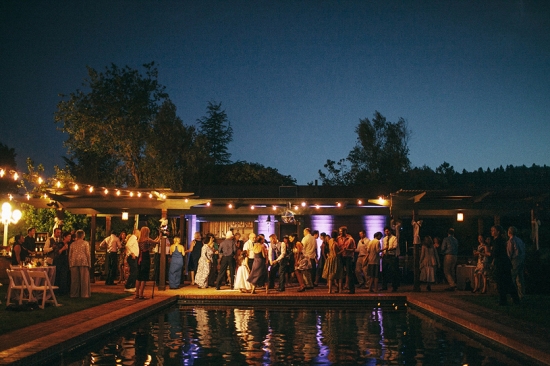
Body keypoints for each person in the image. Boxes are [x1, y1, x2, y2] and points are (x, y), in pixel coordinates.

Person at [491, 225, 520, 305]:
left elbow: (496, 252)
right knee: (507, 282)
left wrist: (490, 253)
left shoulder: (498, 241)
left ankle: (504, 300)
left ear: (498, 232)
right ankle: (509, 299)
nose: (492, 232)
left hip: (502, 264)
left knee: (503, 282)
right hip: (503, 263)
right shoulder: (500, 240)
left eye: (493, 230)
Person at [135, 226, 158, 300]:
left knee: (139, 276)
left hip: (140, 258)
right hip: (145, 257)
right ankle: (141, 294)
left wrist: (158, 237)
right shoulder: (147, 240)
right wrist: (160, 236)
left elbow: (153, 241)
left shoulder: (139, 240)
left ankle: (137, 294)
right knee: (144, 276)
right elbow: (156, 242)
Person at [69, 229, 91, 298]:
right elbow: (87, 254)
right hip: (83, 261)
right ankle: (84, 294)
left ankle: (74, 294)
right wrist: (89, 263)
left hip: (74, 261)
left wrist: (70, 263)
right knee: (84, 279)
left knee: (74, 280)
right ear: (83, 236)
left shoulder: (72, 244)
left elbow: (70, 255)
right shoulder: (85, 243)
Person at [507, 226, 526, 300]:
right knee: (520, 278)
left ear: (509, 232)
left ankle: (514, 295)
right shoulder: (519, 240)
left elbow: (510, 252)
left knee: (512, 277)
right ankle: (521, 294)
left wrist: (509, 260)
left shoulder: (511, 241)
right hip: (521, 259)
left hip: (515, 260)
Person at [338, 226, 356, 294]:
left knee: (349, 273)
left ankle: (352, 289)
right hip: (341, 257)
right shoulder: (338, 238)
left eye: (341, 231)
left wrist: (347, 250)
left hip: (348, 257)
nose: (340, 233)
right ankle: (339, 288)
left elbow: (354, 249)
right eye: (339, 231)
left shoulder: (350, 239)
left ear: (345, 231)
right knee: (340, 273)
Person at [381, 226, 400, 292]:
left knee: (393, 271)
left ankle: (394, 286)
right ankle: (384, 286)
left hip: (392, 256)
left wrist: (388, 248)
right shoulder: (384, 239)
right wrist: (383, 252)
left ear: (390, 231)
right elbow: (383, 246)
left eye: (388, 231)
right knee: (384, 271)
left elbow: (395, 246)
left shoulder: (394, 238)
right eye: (385, 231)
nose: (386, 232)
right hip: (386, 256)